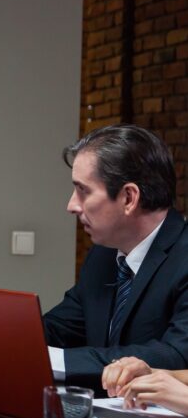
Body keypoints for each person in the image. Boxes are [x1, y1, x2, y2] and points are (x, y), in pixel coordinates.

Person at [43, 124, 188, 387]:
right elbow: (60, 328)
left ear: (129, 198)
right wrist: (1, 337)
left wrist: (57, 361)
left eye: (83, 190)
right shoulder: (103, 255)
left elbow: (178, 355)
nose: (71, 205)